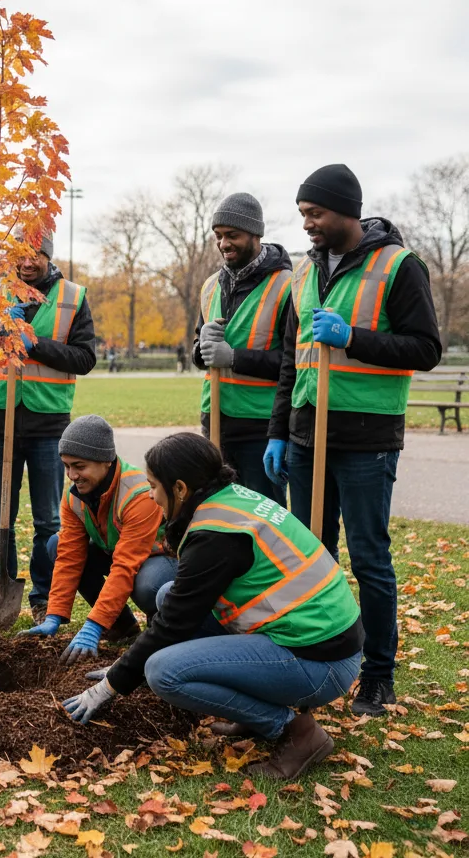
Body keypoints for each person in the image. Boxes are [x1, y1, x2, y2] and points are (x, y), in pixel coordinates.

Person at [64, 433, 364, 780]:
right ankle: (253, 713)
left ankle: (293, 730)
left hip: (321, 662)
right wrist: (126, 665)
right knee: (165, 595)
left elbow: (174, 626)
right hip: (311, 636)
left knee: (163, 671)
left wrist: (112, 683)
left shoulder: (215, 535)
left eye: (153, 486)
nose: (149, 495)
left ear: (179, 489)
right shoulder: (228, 499)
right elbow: (177, 608)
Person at [263, 164, 441, 716]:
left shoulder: (399, 266)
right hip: (305, 437)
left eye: (315, 214)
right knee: (311, 557)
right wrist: (277, 433)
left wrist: (354, 339)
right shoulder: (302, 273)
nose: (308, 225)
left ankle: (379, 676)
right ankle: (314, 665)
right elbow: (292, 360)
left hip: (366, 440)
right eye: (302, 216)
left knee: (369, 560)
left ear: (347, 211)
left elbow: (425, 349)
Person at [0, 232, 96, 622]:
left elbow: (84, 358)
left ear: (47, 256)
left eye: (36, 254)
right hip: (1, 419)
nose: (27, 262)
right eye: (20, 253)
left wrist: (31, 341)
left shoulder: (73, 297)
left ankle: (42, 597)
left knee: (48, 520)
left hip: (49, 424)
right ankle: (1, 587)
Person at [20, 415, 173, 661]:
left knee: (148, 585)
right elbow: (69, 556)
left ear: (106, 461)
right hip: (116, 552)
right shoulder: (75, 496)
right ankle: (122, 628)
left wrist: (94, 625)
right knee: (56, 544)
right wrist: (54, 614)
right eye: (66, 466)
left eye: (79, 466)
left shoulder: (138, 494)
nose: (72, 475)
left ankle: (161, 631)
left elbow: (126, 565)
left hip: (159, 559)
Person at [193, 193, 292, 505]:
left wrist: (235, 358)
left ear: (255, 234)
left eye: (232, 235)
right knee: (220, 514)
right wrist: (201, 347)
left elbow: (293, 362)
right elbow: (201, 353)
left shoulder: (287, 285)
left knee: (263, 515)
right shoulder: (210, 285)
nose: (224, 244)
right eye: (219, 236)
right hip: (216, 421)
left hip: (260, 425)